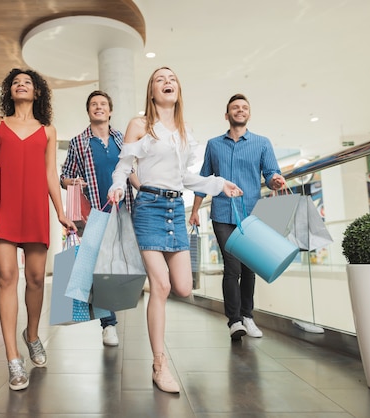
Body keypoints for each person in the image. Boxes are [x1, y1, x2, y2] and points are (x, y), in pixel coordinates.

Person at [108, 67, 242, 393]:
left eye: (172, 79)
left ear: (178, 90)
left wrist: (218, 183)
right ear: (152, 91)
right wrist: (116, 186)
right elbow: (124, 166)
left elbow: (186, 178)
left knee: (183, 286)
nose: (167, 83)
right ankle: (159, 363)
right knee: (162, 286)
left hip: (174, 210)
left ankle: (158, 358)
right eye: (159, 79)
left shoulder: (185, 131)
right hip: (149, 207)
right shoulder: (140, 125)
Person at [0, 68, 76, 391]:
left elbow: (51, 173)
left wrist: (61, 211)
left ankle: (31, 334)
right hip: (3, 208)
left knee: (37, 278)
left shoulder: (48, 130)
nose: (21, 85)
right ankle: (13, 359)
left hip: (36, 208)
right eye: (16, 82)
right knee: (7, 276)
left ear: (37, 92)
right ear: (9, 92)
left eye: (27, 82)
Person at [189, 93, 285, 341]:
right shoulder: (214, 144)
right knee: (232, 267)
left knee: (249, 268)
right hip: (222, 213)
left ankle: (248, 316)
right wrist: (195, 210)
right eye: (235, 107)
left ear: (249, 114)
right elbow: (204, 179)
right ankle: (234, 321)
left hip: (252, 214)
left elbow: (271, 173)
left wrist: (275, 179)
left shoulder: (262, 143)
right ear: (227, 114)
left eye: (244, 108)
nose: (240, 110)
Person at [60, 90, 136, 348]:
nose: (99, 107)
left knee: (117, 265)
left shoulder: (122, 139)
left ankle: (115, 310)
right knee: (99, 268)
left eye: (103, 104)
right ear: (89, 111)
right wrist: (74, 181)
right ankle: (108, 324)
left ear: (110, 110)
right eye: (94, 104)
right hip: (95, 212)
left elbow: (133, 172)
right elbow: (64, 177)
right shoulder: (79, 142)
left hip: (124, 210)